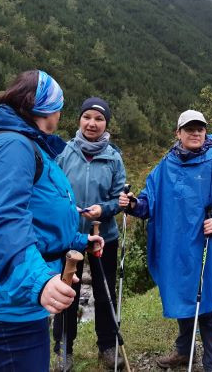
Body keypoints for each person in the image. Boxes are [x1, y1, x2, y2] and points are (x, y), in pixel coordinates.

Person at [0, 70, 104, 372]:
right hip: (0, 296)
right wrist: (38, 281)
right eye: (59, 105)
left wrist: (80, 240)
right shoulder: (13, 147)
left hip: (10, 289)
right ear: (48, 108)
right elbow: (3, 222)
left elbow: (37, 214)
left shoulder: (29, 145)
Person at [118, 110, 212, 372]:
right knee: (182, 296)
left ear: (205, 132)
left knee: (207, 302)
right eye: (189, 129)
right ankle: (184, 352)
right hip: (174, 249)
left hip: (206, 248)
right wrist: (133, 204)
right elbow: (149, 204)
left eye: (200, 129)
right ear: (178, 133)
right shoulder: (165, 166)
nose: (195, 133)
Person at [52, 97, 126, 370]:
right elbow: (53, 191)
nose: (92, 123)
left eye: (99, 118)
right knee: (65, 290)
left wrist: (103, 209)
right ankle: (63, 349)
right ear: (79, 120)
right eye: (87, 117)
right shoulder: (64, 153)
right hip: (68, 236)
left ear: (106, 124)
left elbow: (119, 198)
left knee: (104, 292)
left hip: (102, 235)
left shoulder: (113, 157)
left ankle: (107, 346)